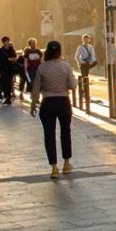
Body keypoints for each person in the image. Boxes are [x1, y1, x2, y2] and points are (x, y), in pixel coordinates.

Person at [31, 40, 78, 178]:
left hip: (48, 103)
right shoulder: (65, 66)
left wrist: (34, 104)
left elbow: (36, 88)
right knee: (65, 133)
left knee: (49, 135)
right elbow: (73, 86)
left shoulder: (42, 68)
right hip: (63, 102)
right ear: (59, 51)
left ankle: (54, 168)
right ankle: (67, 163)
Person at [22, 38, 45, 115]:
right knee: (32, 84)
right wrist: (25, 69)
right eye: (31, 43)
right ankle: (34, 98)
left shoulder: (38, 51)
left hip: (38, 69)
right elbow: (25, 60)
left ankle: (37, 98)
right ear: (29, 44)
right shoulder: (27, 52)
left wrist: (42, 68)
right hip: (30, 70)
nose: (33, 44)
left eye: (34, 42)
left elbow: (41, 60)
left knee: (39, 84)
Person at [0, 37, 17, 105]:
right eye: (5, 41)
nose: (7, 42)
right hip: (3, 69)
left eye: (7, 41)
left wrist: (10, 59)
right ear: (3, 42)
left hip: (10, 69)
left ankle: (8, 98)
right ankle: (7, 97)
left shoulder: (11, 49)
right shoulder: (0, 50)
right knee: (4, 84)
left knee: (9, 83)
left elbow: (15, 58)